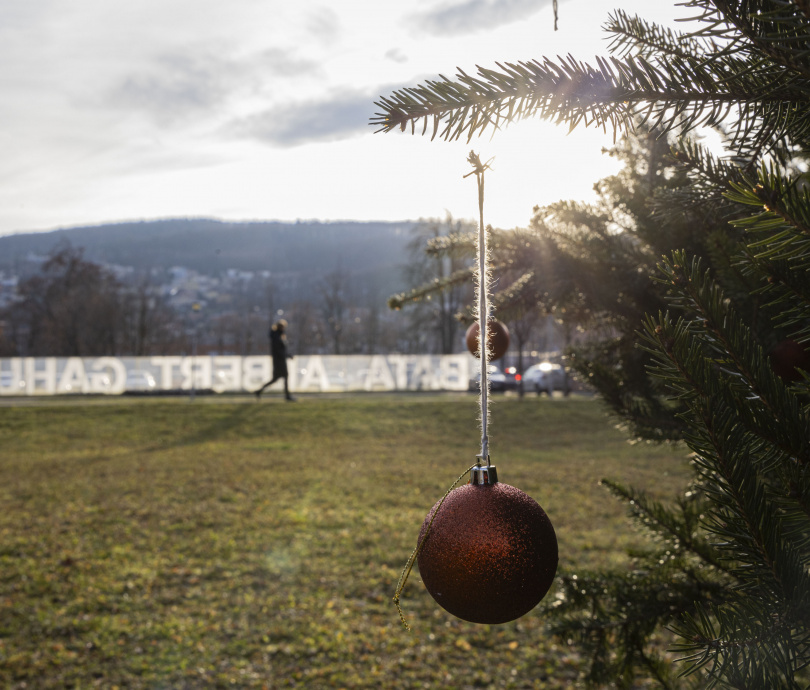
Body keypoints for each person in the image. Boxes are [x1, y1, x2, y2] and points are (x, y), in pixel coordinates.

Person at [255, 319, 295, 401]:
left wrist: (286, 355)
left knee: (276, 379)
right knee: (283, 377)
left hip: (279, 360)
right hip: (279, 361)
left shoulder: (278, 336)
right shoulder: (277, 337)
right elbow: (278, 350)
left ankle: (259, 391)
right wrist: (286, 355)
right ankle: (287, 396)